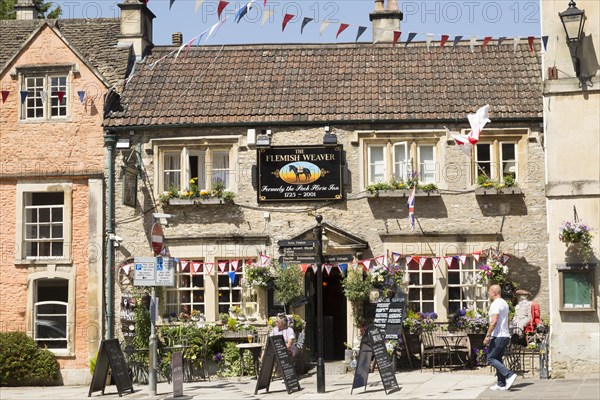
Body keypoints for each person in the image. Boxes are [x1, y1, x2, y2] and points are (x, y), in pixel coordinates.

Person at [484, 284, 517, 391]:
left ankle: (509, 375)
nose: (488, 293)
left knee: (491, 358)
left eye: (489, 291)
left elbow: (494, 321)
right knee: (498, 358)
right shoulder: (504, 303)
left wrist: (488, 335)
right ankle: (501, 383)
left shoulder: (496, 304)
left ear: (494, 292)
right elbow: (507, 320)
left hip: (498, 335)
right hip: (505, 335)